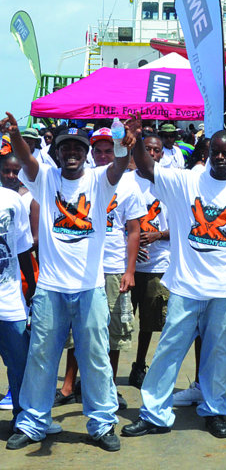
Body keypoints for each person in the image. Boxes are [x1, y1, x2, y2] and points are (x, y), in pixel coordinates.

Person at [121, 118, 226, 440]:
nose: (222, 158)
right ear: (208, 153)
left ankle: (215, 410)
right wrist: (139, 139)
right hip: (185, 285)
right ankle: (154, 412)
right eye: (216, 153)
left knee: (220, 353)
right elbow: (147, 168)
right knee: (169, 348)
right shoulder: (186, 181)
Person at [2, 114, 132, 452]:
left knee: (96, 358)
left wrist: (122, 141)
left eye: (77, 147)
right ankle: (33, 422)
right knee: (41, 357)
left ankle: (102, 423)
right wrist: (15, 135)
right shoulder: (44, 178)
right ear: (57, 153)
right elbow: (27, 160)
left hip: (90, 288)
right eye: (65, 147)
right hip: (50, 289)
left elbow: (120, 164)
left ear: (86, 152)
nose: (71, 152)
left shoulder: (100, 180)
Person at [57, 127, 147, 410]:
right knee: (77, 331)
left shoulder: (129, 184)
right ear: (90, 153)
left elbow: (133, 231)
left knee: (113, 333)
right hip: (83, 269)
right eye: (98, 151)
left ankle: (107, 385)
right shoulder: (81, 180)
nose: (103, 155)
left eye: (109, 150)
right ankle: (69, 384)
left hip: (113, 268)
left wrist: (129, 271)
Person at [129, 134, 171, 390]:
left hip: (158, 264)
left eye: (156, 150)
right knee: (117, 322)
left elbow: (185, 226)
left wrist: (157, 235)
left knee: (149, 323)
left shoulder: (168, 183)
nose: (152, 154)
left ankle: (139, 365)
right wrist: (130, 244)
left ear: (162, 154)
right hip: (128, 266)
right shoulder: (127, 182)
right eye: (148, 149)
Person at [0, 184, 36, 429]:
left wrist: (33, 285)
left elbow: (23, 248)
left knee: (20, 363)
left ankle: (22, 418)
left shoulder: (12, 199)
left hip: (9, 299)